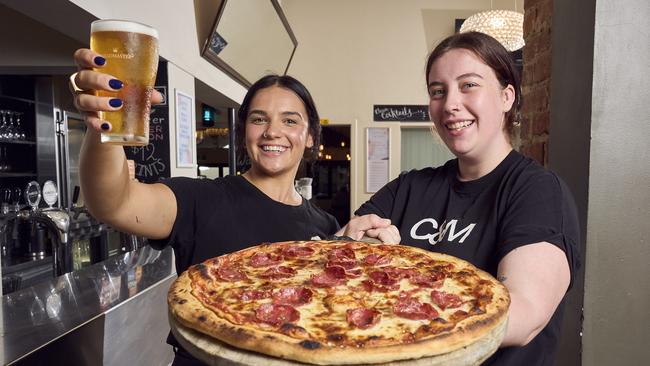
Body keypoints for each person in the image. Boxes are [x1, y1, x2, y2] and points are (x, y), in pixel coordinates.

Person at [70, 49, 396, 365]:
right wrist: (103, 126)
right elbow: (114, 204)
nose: (273, 131)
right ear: (243, 133)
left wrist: (350, 251)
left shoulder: (325, 225)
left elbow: (324, 317)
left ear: (310, 135)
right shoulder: (201, 198)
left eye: (290, 120)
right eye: (259, 119)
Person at [339, 31, 580, 365]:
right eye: (438, 91)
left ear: (507, 97)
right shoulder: (409, 186)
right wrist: (354, 247)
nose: (450, 104)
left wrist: (404, 306)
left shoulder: (537, 190)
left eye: (468, 85)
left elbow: (520, 317)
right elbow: (333, 260)